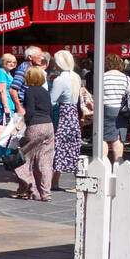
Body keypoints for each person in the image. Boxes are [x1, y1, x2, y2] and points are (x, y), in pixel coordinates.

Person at [12, 66, 54, 201]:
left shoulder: (30, 91)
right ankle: (46, 193)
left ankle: (33, 191)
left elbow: (29, 112)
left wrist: (20, 127)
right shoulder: (45, 91)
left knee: (23, 158)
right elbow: (50, 110)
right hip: (48, 126)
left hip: (35, 126)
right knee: (45, 161)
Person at [50, 49, 83, 189]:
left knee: (59, 147)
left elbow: (52, 100)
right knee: (72, 147)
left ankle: (55, 181)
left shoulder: (59, 80)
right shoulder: (76, 77)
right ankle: (75, 181)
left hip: (63, 114)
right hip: (73, 114)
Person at [100, 54, 130, 162]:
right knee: (118, 139)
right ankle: (117, 165)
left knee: (103, 139)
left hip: (105, 110)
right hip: (121, 112)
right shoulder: (125, 78)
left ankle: (102, 164)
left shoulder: (102, 77)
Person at [0, 53, 19, 162]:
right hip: (3, 105)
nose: (11, 64)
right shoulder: (1, 72)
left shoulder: (7, 72)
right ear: (3, 62)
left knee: (1, 129)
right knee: (4, 129)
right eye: (9, 62)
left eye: (13, 62)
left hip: (7, 104)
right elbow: (2, 90)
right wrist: (6, 106)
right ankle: (0, 153)